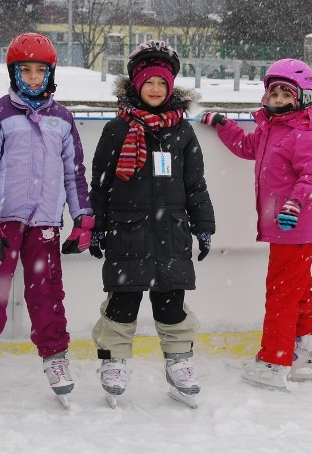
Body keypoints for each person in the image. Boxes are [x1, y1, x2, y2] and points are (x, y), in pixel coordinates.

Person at [0, 32, 93, 413]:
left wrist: (82, 218)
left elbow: (74, 174)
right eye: (25, 70)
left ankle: (55, 357)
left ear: (50, 74)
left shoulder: (62, 119)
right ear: (13, 73)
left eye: (40, 71)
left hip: (46, 221)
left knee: (47, 292)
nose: (33, 78)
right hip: (6, 221)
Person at [88, 40, 215, 409]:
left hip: (171, 232)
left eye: (162, 83)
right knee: (123, 302)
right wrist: (96, 225)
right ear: (136, 85)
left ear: (171, 86)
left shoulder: (183, 132)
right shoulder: (117, 129)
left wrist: (203, 224)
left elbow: (196, 184)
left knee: (171, 302)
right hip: (127, 232)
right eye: (149, 83)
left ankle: (179, 362)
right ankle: (113, 362)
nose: (156, 90)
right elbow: (101, 183)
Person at [200, 58, 312, 391]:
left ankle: (275, 360)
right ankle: (309, 350)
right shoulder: (271, 129)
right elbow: (247, 148)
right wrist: (223, 125)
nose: (279, 100)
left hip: (296, 223)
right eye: (274, 93)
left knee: (281, 293)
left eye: (286, 94)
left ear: (303, 98)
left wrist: (295, 203)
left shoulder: (305, 133)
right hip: (286, 226)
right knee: (297, 288)